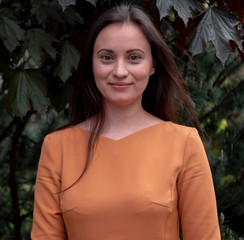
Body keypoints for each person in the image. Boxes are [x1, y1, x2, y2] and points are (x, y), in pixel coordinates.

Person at [31, 4, 220, 240]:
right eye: (107, 57)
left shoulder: (184, 144)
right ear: (92, 64)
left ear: (152, 65)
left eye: (134, 57)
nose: (120, 71)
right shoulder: (57, 148)